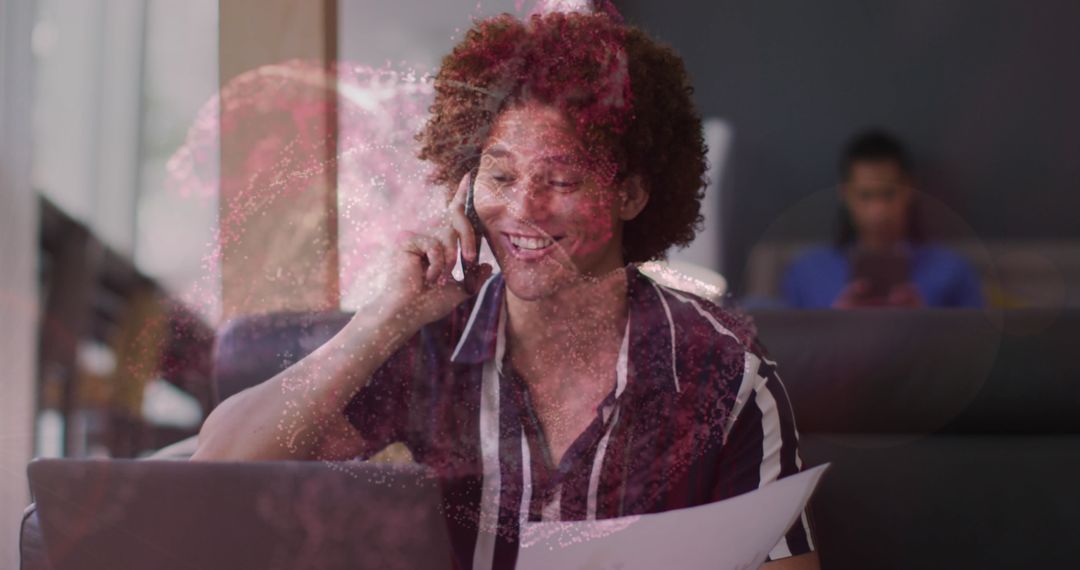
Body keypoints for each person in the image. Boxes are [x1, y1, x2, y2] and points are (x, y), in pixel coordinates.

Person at [193, 7, 819, 569]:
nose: (524, 209)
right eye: (500, 176)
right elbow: (217, 468)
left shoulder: (722, 373)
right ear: (464, 189)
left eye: (563, 181)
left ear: (630, 194)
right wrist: (383, 319)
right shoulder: (429, 347)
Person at [783, 130, 984, 309]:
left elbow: (980, 344)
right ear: (844, 194)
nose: (878, 211)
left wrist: (925, 326)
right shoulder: (806, 273)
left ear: (910, 190)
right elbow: (784, 347)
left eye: (888, 194)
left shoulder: (953, 271)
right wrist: (837, 324)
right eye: (865, 195)